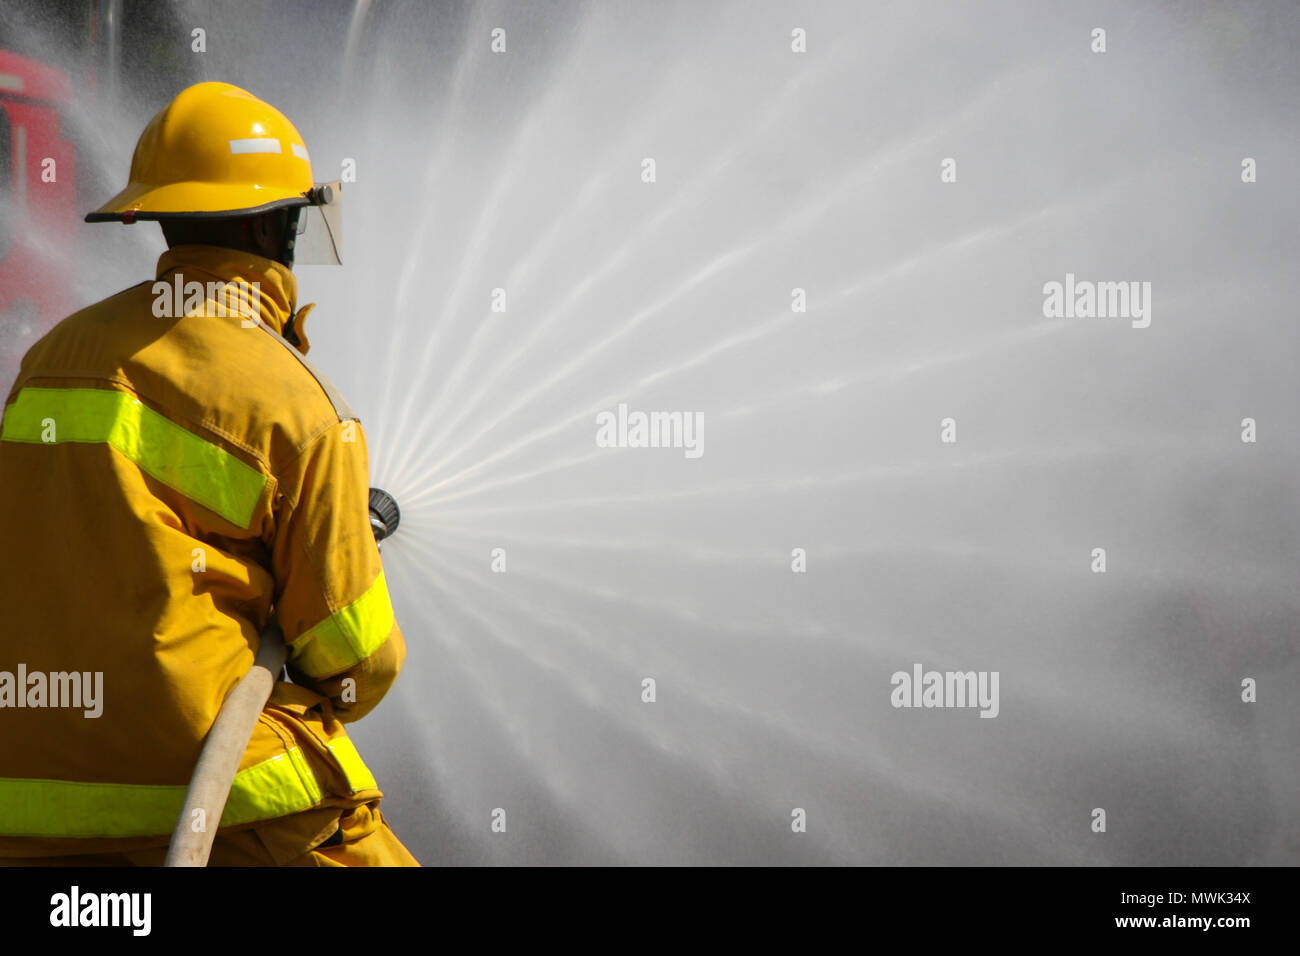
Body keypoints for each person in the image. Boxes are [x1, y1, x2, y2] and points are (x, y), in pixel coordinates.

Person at [0, 81, 417, 866]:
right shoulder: (298, 404)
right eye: (292, 218)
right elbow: (356, 669)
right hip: (218, 803)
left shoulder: (50, 359)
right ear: (270, 224)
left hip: (24, 806)